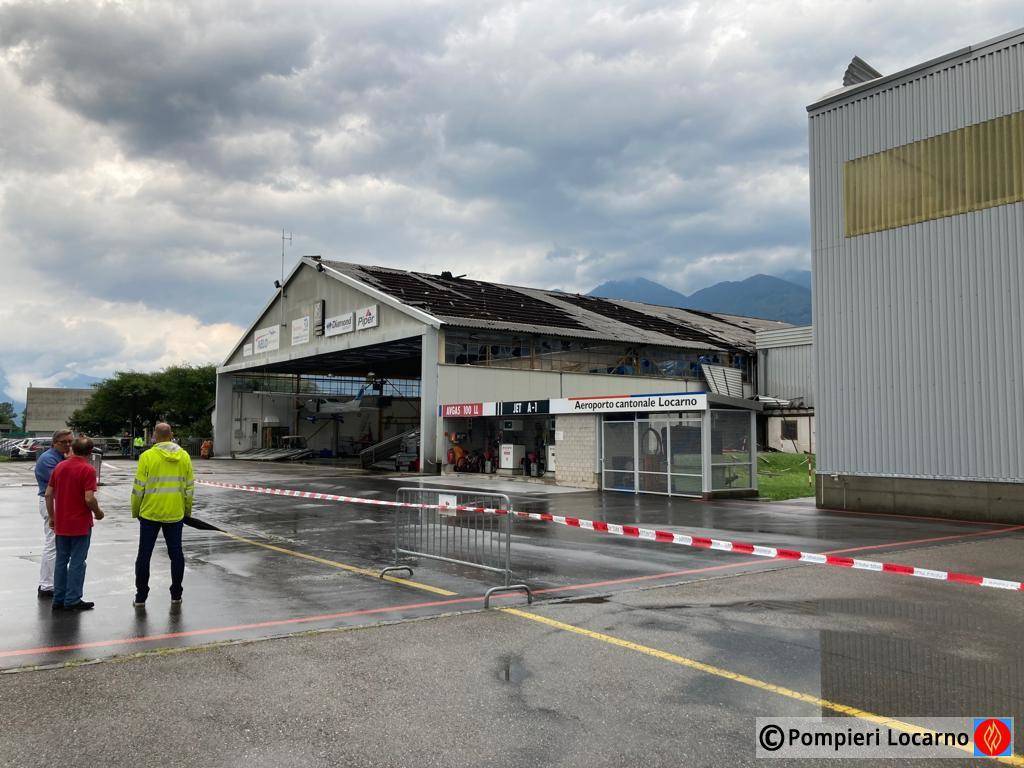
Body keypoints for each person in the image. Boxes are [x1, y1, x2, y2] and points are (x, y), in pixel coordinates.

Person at [131, 422, 194, 607]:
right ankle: (176, 594)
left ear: (154, 436)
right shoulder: (184, 456)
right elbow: (189, 488)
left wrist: (136, 511)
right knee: (176, 555)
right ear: (172, 434)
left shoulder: (147, 456)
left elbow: (138, 488)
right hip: (175, 513)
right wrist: (186, 511)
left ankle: (141, 596)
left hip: (150, 513)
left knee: (144, 555)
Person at [45, 436, 104, 611]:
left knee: (61, 560)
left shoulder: (60, 466)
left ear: (74, 449)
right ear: (90, 452)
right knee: (78, 561)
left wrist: (52, 516)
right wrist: (98, 512)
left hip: (62, 522)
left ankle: (59, 598)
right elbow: (89, 498)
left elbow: (48, 494)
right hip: (80, 523)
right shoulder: (88, 470)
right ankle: (72, 599)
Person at [33, 429, 72, 599]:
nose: (68, 445)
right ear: (54, 442)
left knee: (57, 544)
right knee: (53, 544)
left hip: (56, 502)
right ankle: (47, 585)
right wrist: (70, 460)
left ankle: (52, 582)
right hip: (51, 503)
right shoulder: (48, 459)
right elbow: (62, 483)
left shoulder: (58, 457)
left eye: (70, 441)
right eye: (64, 442)